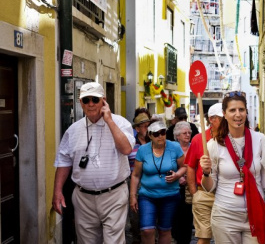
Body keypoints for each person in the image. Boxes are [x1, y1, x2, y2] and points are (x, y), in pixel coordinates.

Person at [52, 82, 135, 243]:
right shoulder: (73, 130)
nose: (90, 104)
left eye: (95, 100)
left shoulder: (121, 123)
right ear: (80, 102)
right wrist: (57, 191)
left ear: (104, 101)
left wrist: (109, 120)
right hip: (83, 197)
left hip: (114, 195)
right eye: (86, 100)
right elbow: (63, 161)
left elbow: (126, 149)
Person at [200, 91, 265, 244]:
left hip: (254, 213)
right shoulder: (214, 145)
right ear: (224, 114)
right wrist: (206, 174)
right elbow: (209, 187)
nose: (237, 114)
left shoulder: (260, 139)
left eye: (241, 109)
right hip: (225, 216)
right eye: (232, 110)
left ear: (246, 112)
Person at [129, 120, 186, 244]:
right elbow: (136, 175)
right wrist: (133, 196)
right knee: (147, 230)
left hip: (170, 195)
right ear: (150, 135)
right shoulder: (143, 150)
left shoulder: (174, 147)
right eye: (156, 134)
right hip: (147, 195)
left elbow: (184, 166)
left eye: (163, 132)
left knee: (164, 230)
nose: (160, 136)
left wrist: (177, 175)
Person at [185, 102, 223, 244]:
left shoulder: (231, 138)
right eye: (222, 118)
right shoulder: (198, 139)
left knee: (224, 237)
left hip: (225, 193)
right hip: (203, 194)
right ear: (212, 119)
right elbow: (190, 166)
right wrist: (194, 192)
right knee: (203, 236)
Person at [128, 107, 151, 244]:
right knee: (136, 220)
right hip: (135, 184)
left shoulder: (155, 142)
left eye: (149, 125)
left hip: (153, 184)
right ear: (137, 129)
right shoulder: (130, 143)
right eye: (144, 126)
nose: (147, 129)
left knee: (152, 222)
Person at [171, 122, 194, 244]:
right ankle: (177, 237)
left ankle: (186, 239)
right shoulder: (171, 148)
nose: (187, 135)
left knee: (188, 216)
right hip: (174, 186)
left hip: (190, 187)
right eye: (184, 133)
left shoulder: (193, 147)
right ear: (177, 135)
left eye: (189, 133)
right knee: (175, 215)